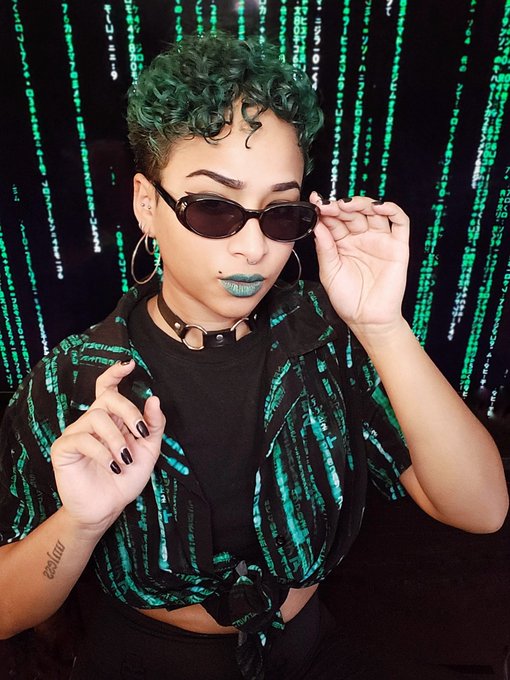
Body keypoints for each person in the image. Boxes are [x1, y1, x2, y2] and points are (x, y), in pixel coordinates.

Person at [0, 32, 507, 680]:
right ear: (147, 204)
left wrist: (380, 325)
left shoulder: (325, 339)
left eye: (279, 212)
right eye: (214, 208)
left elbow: (480, 508)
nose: (253, 248)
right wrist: (80, 522)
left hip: (309, 652)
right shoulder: (71, 380)